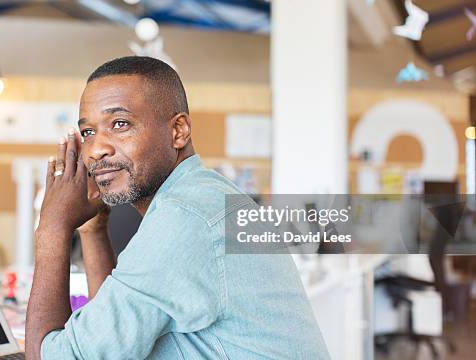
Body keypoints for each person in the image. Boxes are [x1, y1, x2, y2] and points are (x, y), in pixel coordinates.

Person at [25, 56, 330, 359]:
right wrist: (92, 230)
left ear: (179, 131)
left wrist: (52, 227)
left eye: (120, 124)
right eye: (88, 132)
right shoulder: (204, 195)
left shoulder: (185, 218)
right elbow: (110, 334)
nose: (95, 150)